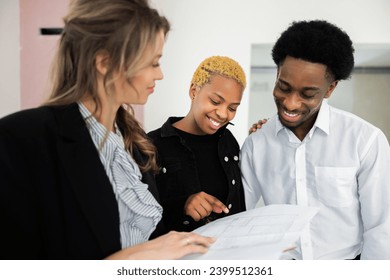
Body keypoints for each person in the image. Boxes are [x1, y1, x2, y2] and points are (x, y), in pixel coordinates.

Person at [0, 0, 215, 260]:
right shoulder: (19, 139)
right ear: (105, 62)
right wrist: (132, 260)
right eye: (153, 63)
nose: (160, 75)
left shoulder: (133, 142)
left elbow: (145, 234)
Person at [240, 20, 390, 260]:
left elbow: (381, 228)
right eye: (283, 87)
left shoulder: (365, 140)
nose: (290, 103)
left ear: (330, 89)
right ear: (277, 74)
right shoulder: (256, 143)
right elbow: (239, 219)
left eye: (307, 94)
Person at [147, 56, 246, 232]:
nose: (223, 114)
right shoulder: (151, 145)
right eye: (215, 101)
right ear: (194, 91)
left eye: (232, 108)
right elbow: (138, 218)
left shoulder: (229, 142)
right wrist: (182, 205)